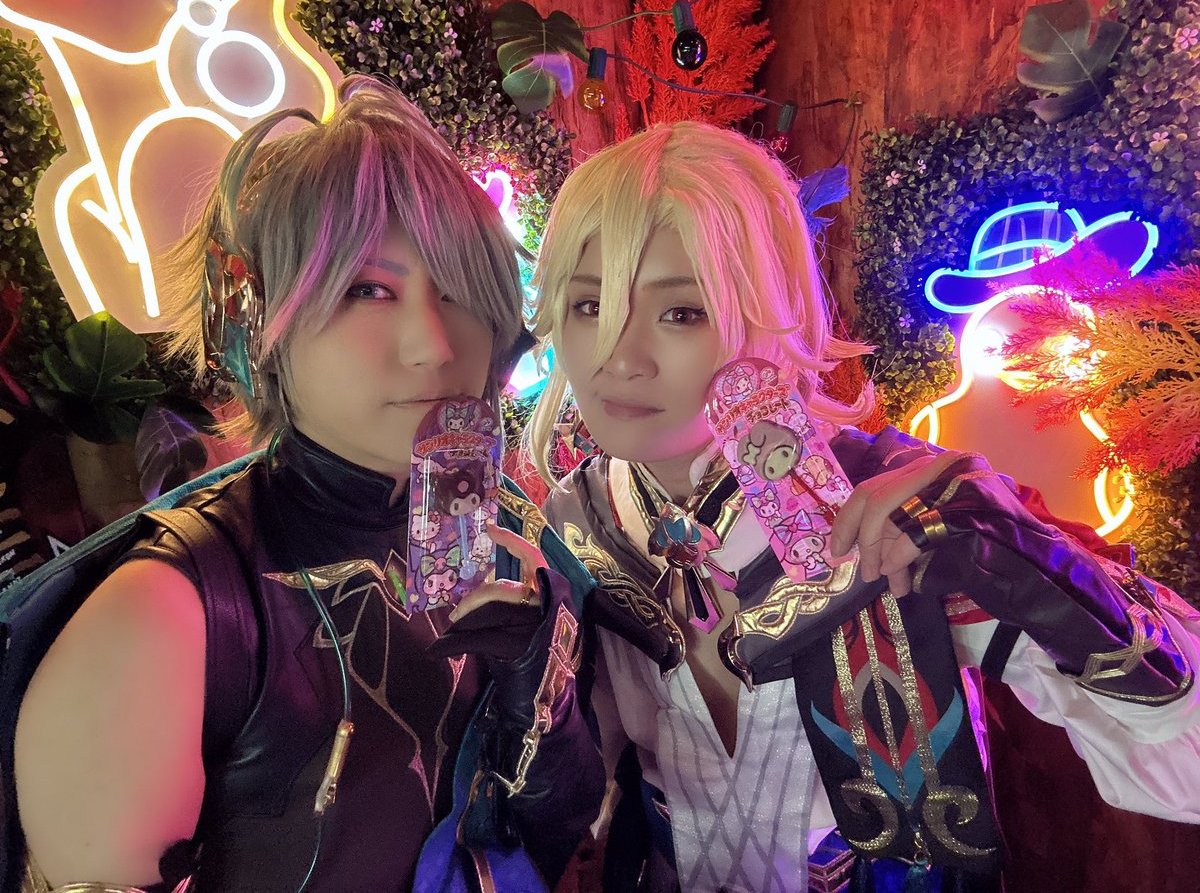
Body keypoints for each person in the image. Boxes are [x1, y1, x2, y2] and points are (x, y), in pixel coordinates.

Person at [525, 121, 1200, 892]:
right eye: (589, 304)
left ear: (770, 313)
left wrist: (1034, 565)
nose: (619, 357)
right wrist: (518, 701)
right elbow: (579, 799)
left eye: (681, 312)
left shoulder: (902, 505)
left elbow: (1184, 767)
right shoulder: (577, 523)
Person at [11, 76, 602, 892]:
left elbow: (554, 834)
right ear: (258, 320)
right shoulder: (169, 615)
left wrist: (537, 686)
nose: (434, 344)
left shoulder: (511, 543)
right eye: (368, 290)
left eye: (460, 290)